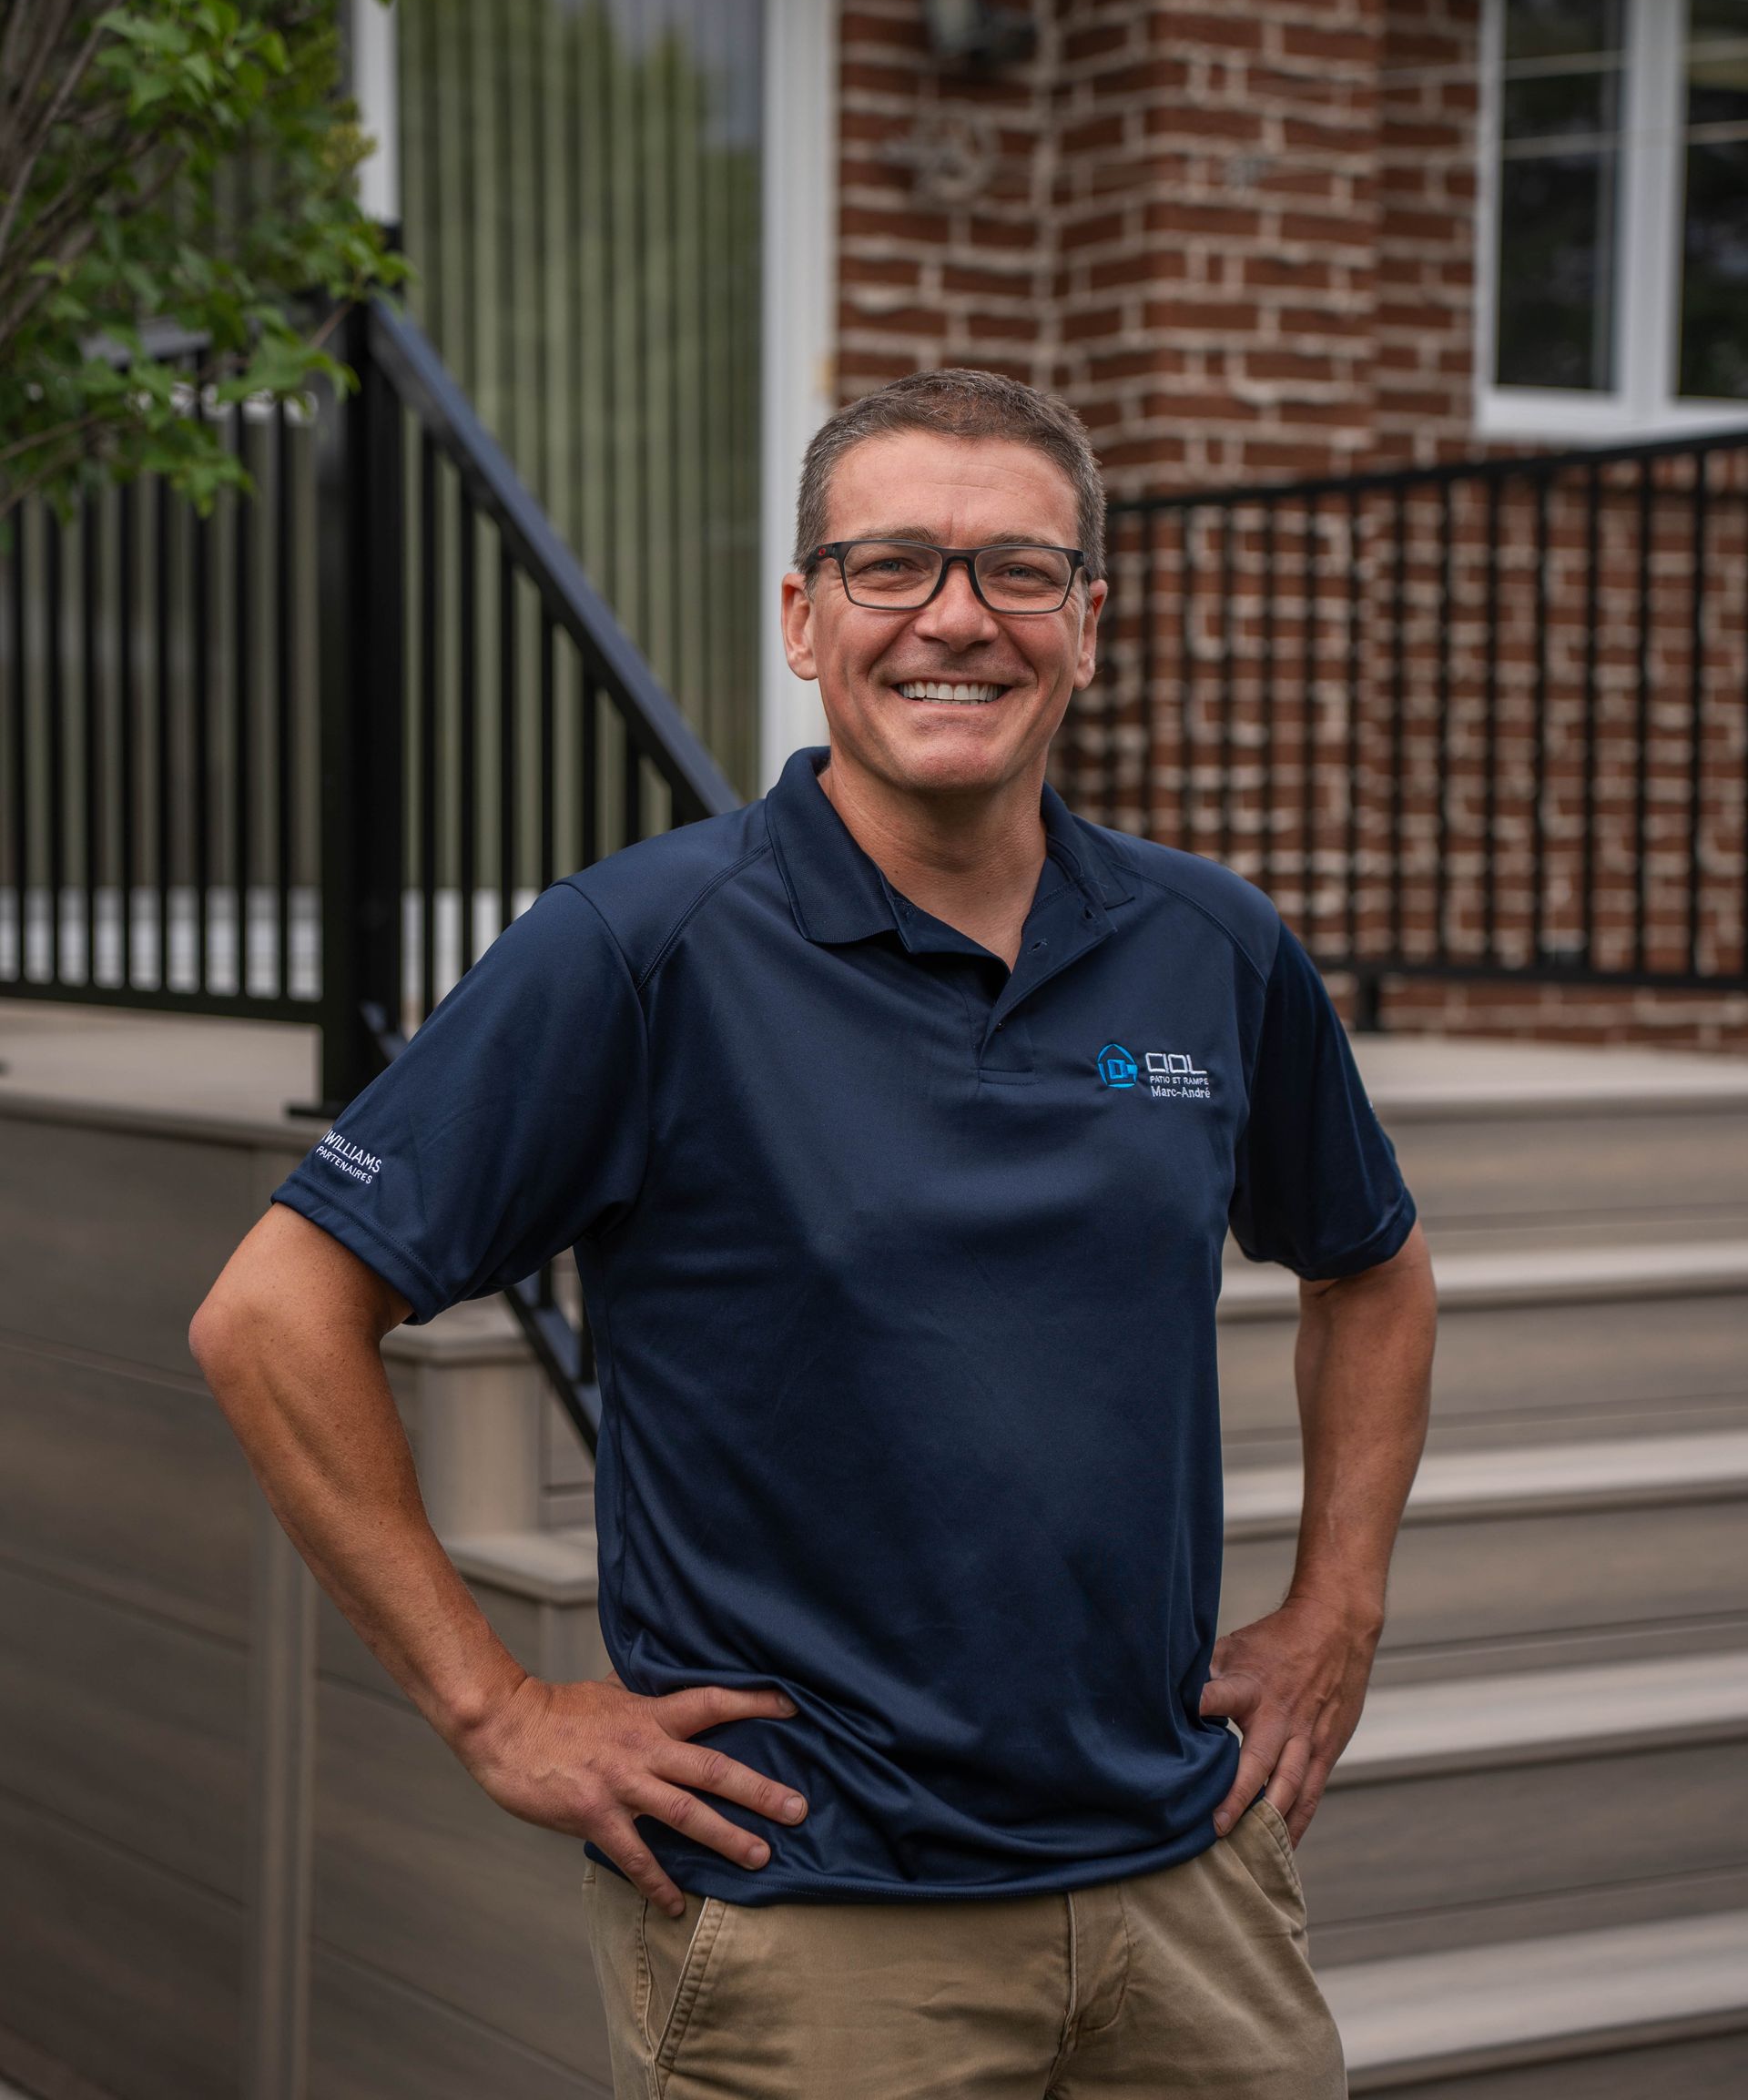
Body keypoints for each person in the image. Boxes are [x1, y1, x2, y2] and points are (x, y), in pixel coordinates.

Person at [190, 368, 1437, 2098]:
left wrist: (1340, 1608)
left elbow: (1371, 1268)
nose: (955, 620)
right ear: (802, 616)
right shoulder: (643, 949)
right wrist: (497, 1707)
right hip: (818, 1931)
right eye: (892, 566)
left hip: (1186, 1890)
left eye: (1017, 571)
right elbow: (270, 1317)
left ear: (1088, 624)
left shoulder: (1208, 947)